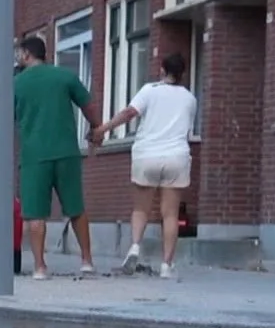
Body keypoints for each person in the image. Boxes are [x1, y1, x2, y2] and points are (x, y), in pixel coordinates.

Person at [90, 50, 197, 279]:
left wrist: (103, 129)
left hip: (147, 154)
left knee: (141, 209)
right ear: (183, 74)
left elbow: (129, 113)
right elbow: (186, 130)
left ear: (162, 70)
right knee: (170, 214)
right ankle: (167, 266)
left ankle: (135, 248)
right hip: (176, 156)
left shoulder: (150, 90)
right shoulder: (189, 98)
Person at [13, 35, 101, 279]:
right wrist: (96, 128)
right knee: (76, 207)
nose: (18, 57)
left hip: (33, 155)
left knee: (35, 213)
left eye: (19, 53)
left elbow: (6, 116)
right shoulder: (65, 77)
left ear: (27, 54)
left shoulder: (16, 83)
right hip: (66, 152)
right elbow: (88, 106)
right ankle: (86, 261)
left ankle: (40, 267)